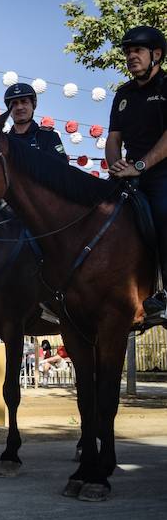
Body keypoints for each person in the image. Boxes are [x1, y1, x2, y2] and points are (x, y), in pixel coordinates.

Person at [106, 25, 167, 321]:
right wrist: (115, 166)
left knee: (164, 214)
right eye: (128, 52)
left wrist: (140, 166)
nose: (131, 56)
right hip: (128, 174)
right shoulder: (123, 94)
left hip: (161, 175)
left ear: (156, 55)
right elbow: (113, 138)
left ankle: (165, 296)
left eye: (137, 51)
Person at [3, 83, 69, 162]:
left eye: (24, 102)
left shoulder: (49, 136)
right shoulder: (3, 141)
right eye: (14, 103)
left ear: (33, 105)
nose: (19, 107)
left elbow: (61, 169)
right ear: (9, 110)